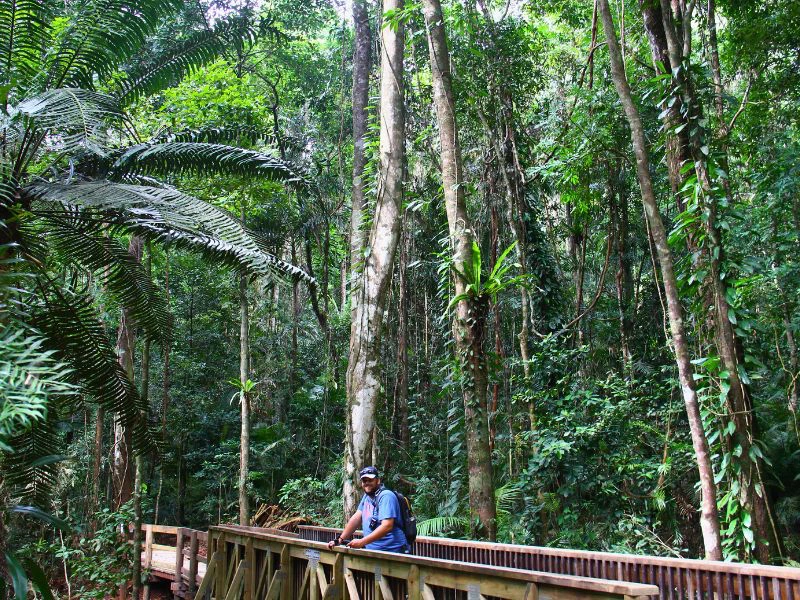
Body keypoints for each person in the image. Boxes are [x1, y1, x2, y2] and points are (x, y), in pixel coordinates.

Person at [327, 466, 408, 553]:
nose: (367, 483)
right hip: (374, 553)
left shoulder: (386, 496)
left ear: (378, 480)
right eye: (364, 481)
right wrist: (339, 539)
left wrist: (362, 542)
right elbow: (356, 519)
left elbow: (387, 526)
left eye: (370, 480)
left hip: (393, 552)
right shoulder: (367, 497)